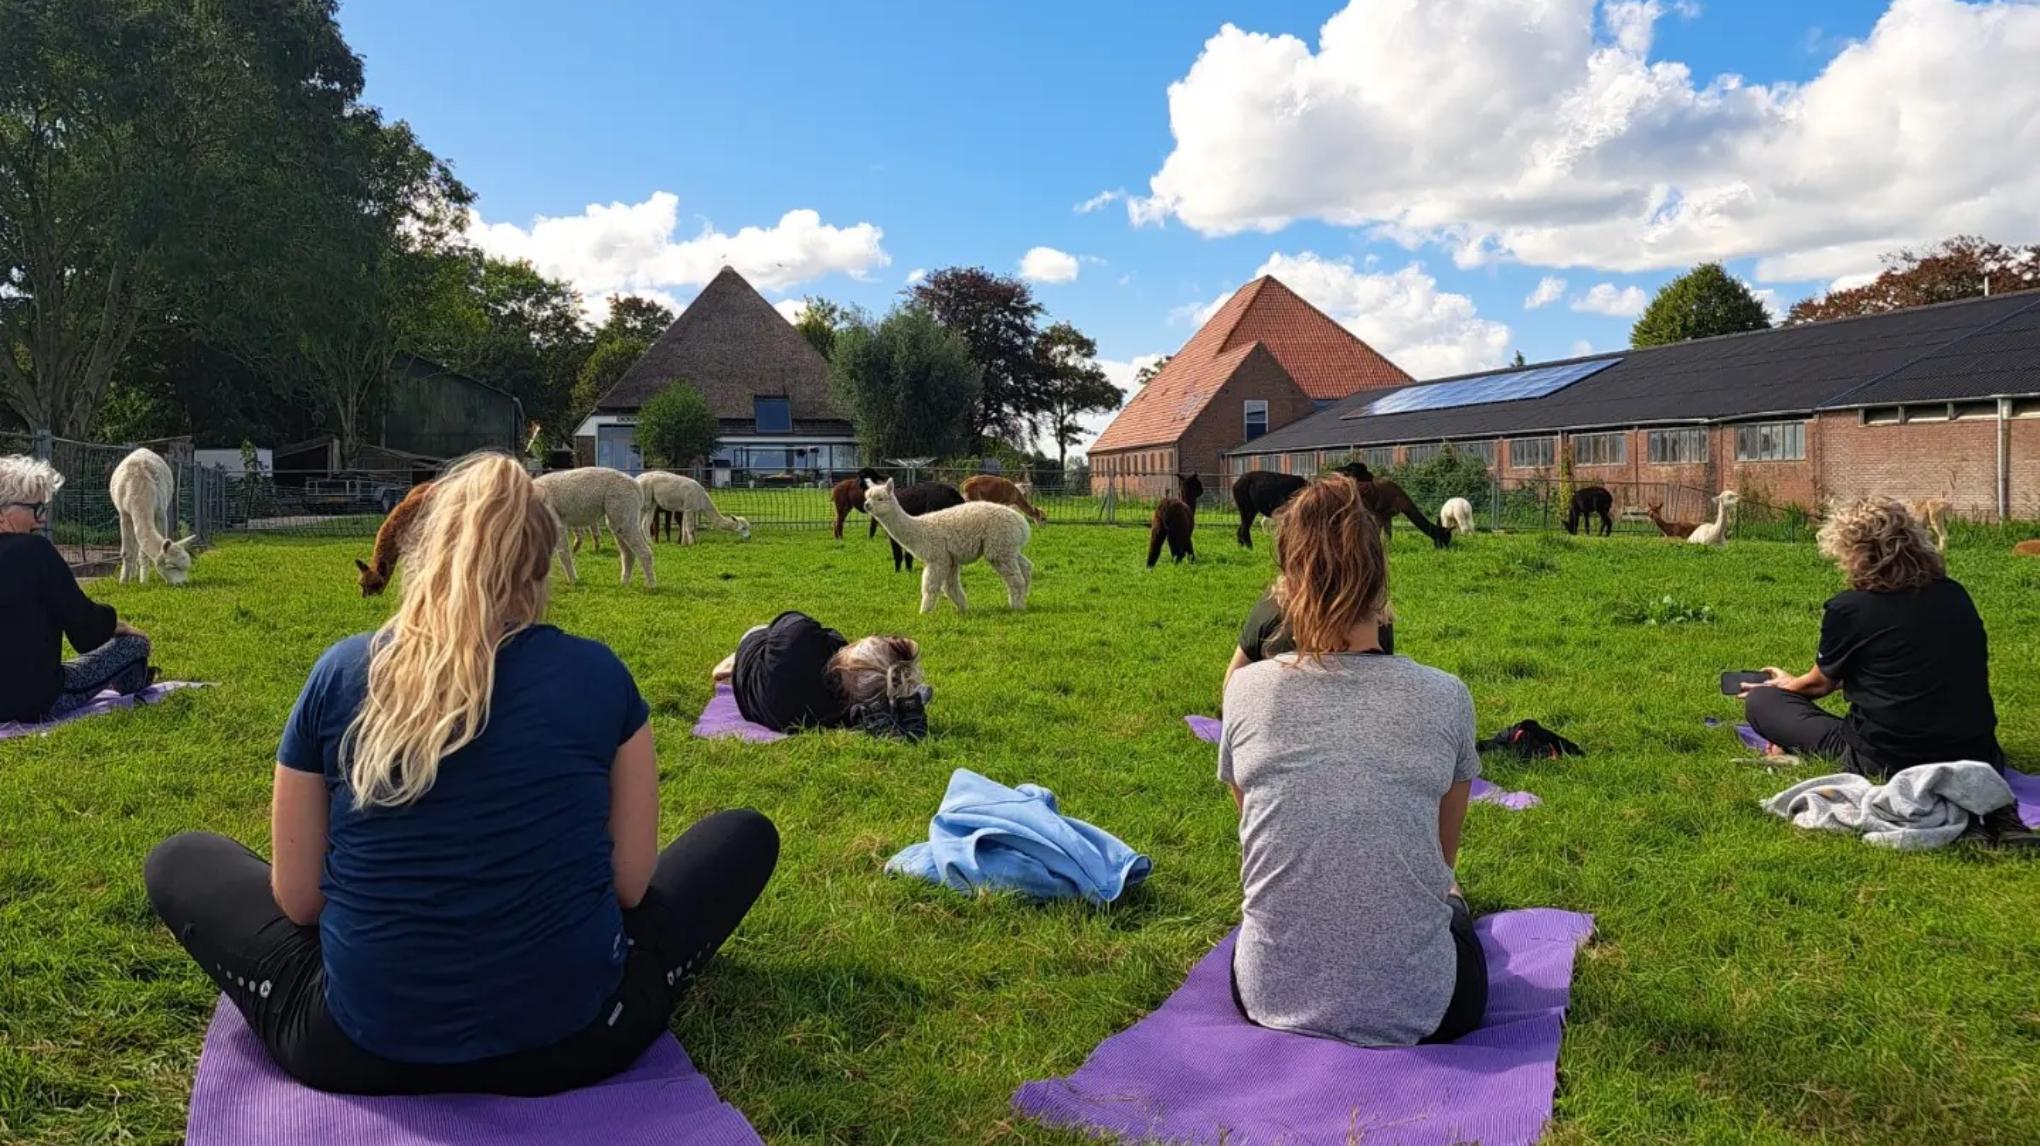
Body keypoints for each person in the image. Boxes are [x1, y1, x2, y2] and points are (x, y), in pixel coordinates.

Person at [144, 453, 778, 1096]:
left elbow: (300, 901)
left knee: (181, 859)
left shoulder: (340, 671)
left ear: (429, 552)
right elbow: (630, 887)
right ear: (542, 561)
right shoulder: (599, 675)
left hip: (357, 1045)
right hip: (580, 1039)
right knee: (743, 836)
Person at [1218, 474, 1486, 1047]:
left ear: (1286, 587)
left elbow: (1252, 827)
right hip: (1429, 1005)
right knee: (1453, 899)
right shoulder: (1447, 696)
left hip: (1267, 994)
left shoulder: (1244, 692)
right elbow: (1440, 857)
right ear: (1382, 584)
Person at [1741, 498, 2002, 780]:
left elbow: (1818, 685)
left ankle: (1797, 740)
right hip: (1977, 756)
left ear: (1856, 554)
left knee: (1762, 701)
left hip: (1887, 759)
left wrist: (1783, 687)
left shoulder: (1851, 608)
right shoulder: (1954, 594)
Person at [1, 455, 153, 723]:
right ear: (3, 512)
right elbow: (86, 634)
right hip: (33, 701)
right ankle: (133, 685)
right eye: (36, 508)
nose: (42, 519)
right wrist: (116, 622)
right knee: (134, 645)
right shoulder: (35, 552)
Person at [711, 610, 930, 740]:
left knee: (764, 631)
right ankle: (732, 668)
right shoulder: (840, 712)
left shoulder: (799, 639)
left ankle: (734, 662)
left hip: (753, 654)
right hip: (759, 704)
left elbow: (788, 620)